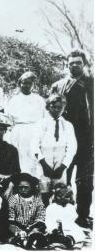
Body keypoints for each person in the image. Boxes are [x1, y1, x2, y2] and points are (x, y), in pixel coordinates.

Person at [51, 49, 94, 228]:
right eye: (71, 63)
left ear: (84, 64)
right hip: (63, 139)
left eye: (78, 62)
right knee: (62, 179)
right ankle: (61, 215)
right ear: (66, 64)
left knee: (84, 180)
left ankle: (83, 215)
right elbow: (51, 111)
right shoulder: (57, 85)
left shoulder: (92, 83)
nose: (74, 65)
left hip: (86, 139)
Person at [30, 94, 77, 205]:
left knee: (60, 191)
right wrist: (43, 164)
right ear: (47, 107)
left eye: (60, 107)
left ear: (64, 108)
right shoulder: (40, 124)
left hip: (60, 160)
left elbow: (72, 147)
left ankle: (57, 216)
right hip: (44, 160)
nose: (57, 110)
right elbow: (34, 145)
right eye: (54, 106)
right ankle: (42, 215)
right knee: (43, 190)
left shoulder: (67, 125)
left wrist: (63, 166)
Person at [4, 71, 46, 177]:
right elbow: (8, 118)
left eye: (29, 83)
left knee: (34, 157)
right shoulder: (14, 100)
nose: (26, 85)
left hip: (35, 131)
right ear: (20, 84)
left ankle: (34, 183)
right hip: (19, 132)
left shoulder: (39, 100)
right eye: (24, 83)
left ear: (33, 85)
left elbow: (44, 117)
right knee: (20, 157)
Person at [8, 173, 47, 250]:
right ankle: (23, 241)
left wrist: (34, 229)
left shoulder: (38, 201)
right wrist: (19, 231)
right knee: (16, 236)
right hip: (16, 228)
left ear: (31, 187)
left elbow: (40, 217)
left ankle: (33, 240)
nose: (23, 190)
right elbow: (11, 219)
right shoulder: (13, 199)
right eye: (20, 187)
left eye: (26, 187)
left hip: (33, 228)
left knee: (39, 234)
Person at [45, 183, 86, 248]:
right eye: (60, 196)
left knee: (76, 233)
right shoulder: (51, 207)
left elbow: (73, 218)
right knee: (52, 234)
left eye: (67, 196)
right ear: (55, 196)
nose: (63, 198)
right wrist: (53, 228)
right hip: (55, 227)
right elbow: (48, 220)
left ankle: (69, 240)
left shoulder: (70, 207)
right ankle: (56, 240)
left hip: (69, 227)